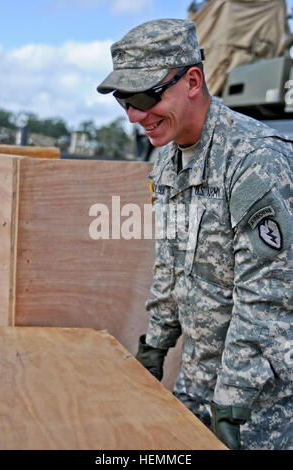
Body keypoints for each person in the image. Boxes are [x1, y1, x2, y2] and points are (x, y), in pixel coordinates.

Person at [97, 19, 293, 450]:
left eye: (146, 97)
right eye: (124, 101)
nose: (134, 116)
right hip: (197, 387)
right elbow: (171, 263)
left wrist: (233, 408)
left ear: (192, 80)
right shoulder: (167, 164)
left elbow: (268, 300)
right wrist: (155, 344)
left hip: (259, 411)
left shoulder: (255, 161)